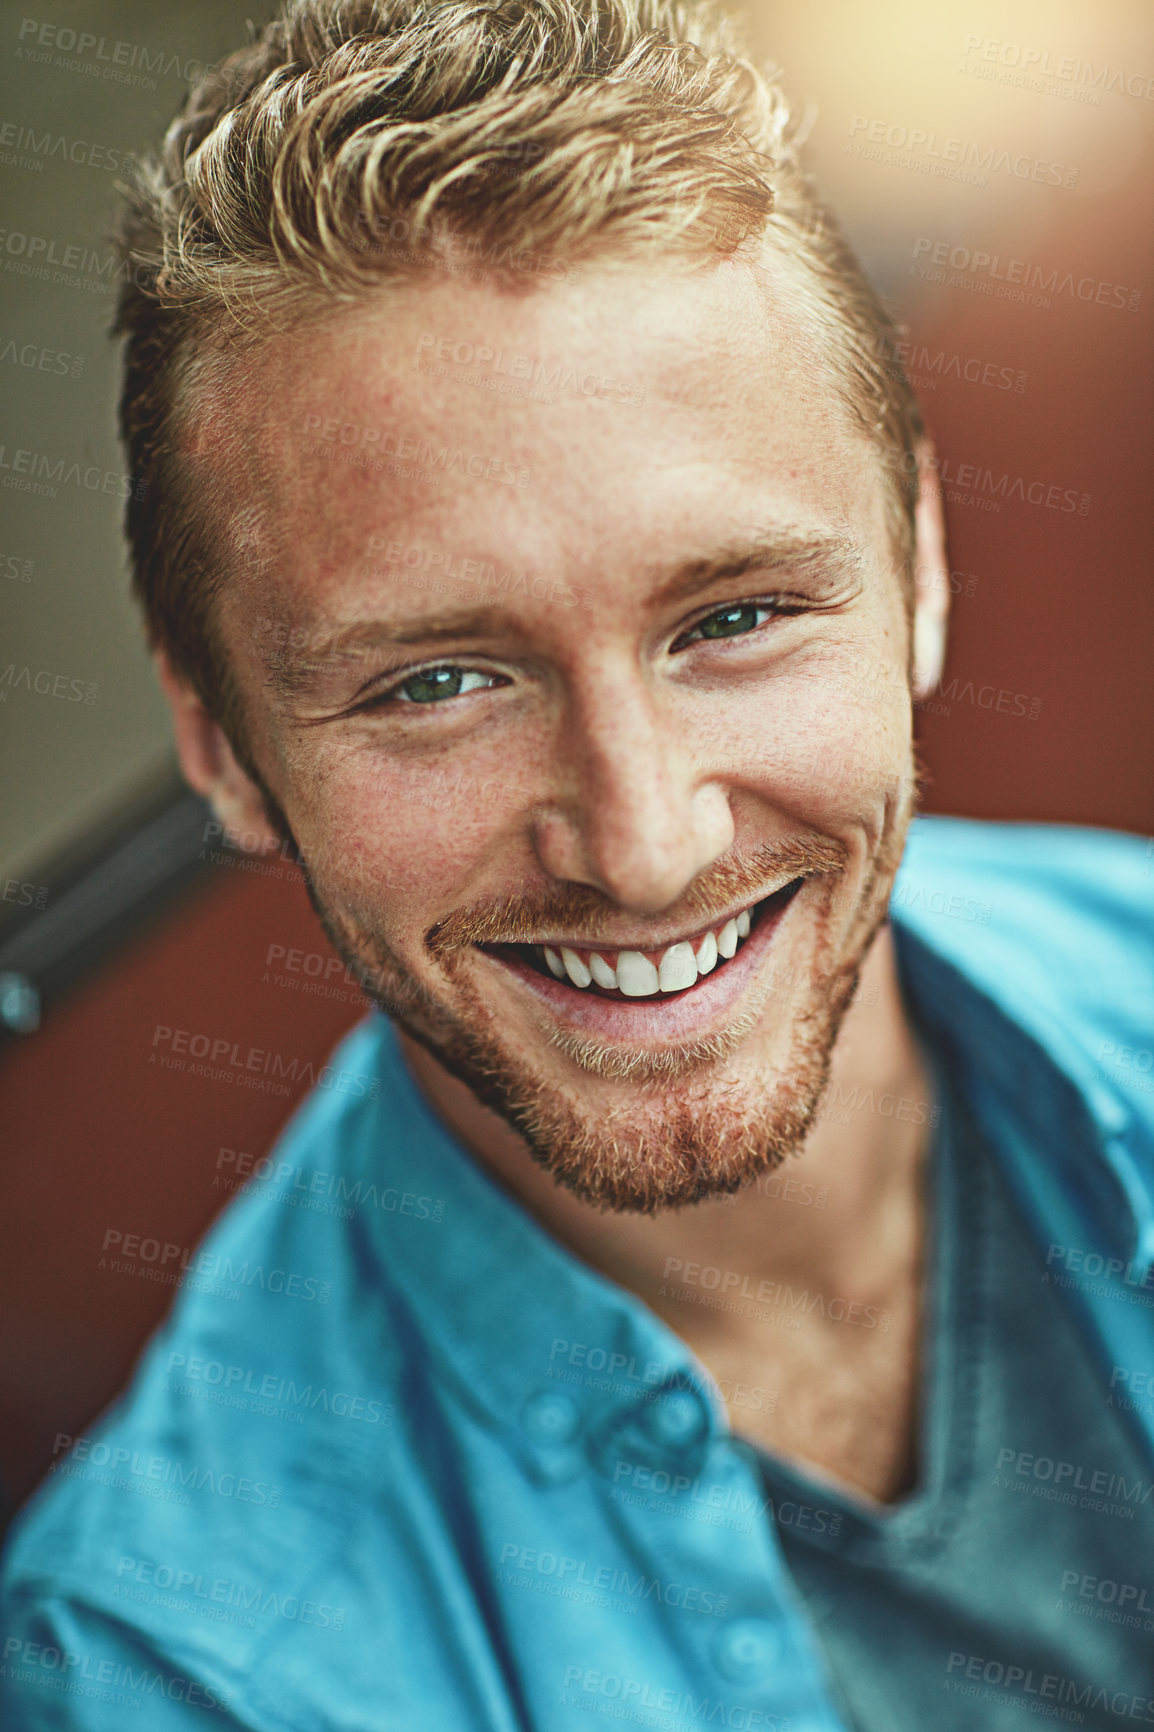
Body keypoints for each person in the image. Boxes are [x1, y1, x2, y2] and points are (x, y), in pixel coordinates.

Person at [3, 0, 1152, 1725]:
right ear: (223, 743)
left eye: (737, 616)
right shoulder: (173, 1671)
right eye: (440, 681)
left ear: (914, 569)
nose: (641, 842)